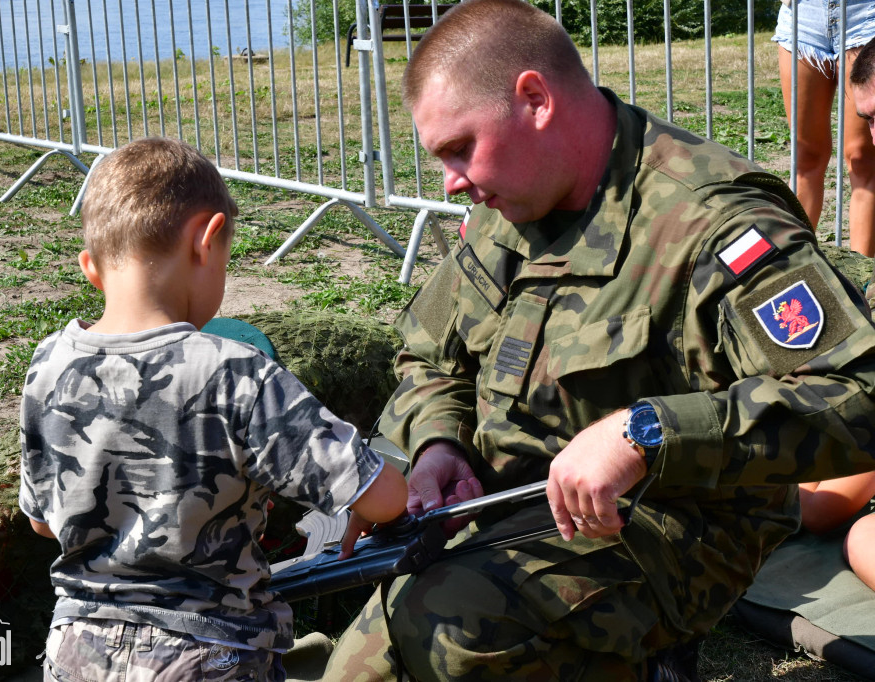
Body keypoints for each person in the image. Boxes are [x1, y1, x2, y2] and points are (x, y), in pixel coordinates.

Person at [323, 0, 875, 680]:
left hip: (669, 529)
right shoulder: (509, 210)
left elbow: (857, 396)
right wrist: (439, 443)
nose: (452, 181)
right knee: (362, 666)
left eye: (460, 148)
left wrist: (649, 434)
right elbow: (428, 354)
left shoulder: (711, 221)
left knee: (451, 624)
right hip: (512, 508)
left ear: (534, 99)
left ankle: (646, 658)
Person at [18, 137, 407, 681]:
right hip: (209, 654)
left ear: (91, 267)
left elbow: (41, 522)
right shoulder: (234, 371)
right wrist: (377, 496)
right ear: (207, 240)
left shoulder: (48, 364)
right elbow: (383, 496)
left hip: (76, 649)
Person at [773, 0, 875, 256]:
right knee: (805, 157)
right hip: (803, 14)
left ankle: (862, 281)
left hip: (865, 12)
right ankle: (797, 271)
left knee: (863, 159)